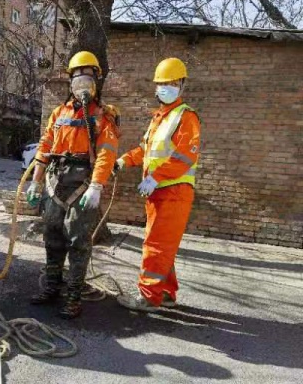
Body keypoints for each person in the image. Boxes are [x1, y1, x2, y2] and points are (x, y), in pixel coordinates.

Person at [27, 51, 120, 319]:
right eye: (78, 75)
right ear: (70, 80)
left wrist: (97, 186)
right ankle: (52, 288)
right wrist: (36, 182)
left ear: (96, 81)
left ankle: (74, 296)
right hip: (56, 181)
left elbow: (106, 153)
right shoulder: (58, 113)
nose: (82, 80)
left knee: (78, 241)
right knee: (52, 236)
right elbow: (45, 146)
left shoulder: (104, 116)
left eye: (88, 75)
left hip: (83, 183)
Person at [115, 57, 200, 312]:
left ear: (182, 85)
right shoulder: (159, 119)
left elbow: (185, 156)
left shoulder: (186, 117)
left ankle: (148, 297)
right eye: (162, 83)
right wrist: (122, 161)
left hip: (173, 192)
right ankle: (165, 292)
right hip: (158, 193)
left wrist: (156, 177)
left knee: (156, 245)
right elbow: (145, 150)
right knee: (165, 246)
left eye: (172, 83)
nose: (166, 87)